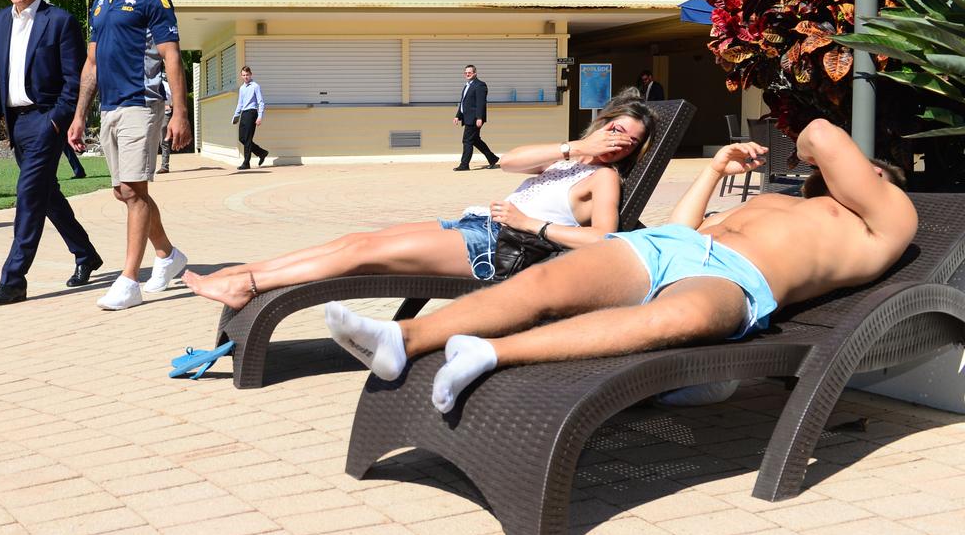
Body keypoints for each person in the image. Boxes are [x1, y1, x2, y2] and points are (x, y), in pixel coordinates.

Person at [324, 118, 916, 414]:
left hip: (737, 281)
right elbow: (683, 230)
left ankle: (490, 352)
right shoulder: (785, 200)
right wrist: (714, 170)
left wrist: (833, 159)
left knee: (674, 319)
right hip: (670, 246)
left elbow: (818, 133)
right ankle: (403, 338)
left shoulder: (888, 218)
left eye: (870, 173)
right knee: (547, 282)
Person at [183, 95, 657, 309]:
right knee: (357, 239)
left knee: (361, 256)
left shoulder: (604, 177)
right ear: (602, 121)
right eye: (616, 129)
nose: (620, 143)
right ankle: (245, 273)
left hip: (498, 249)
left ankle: (246, 285)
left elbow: (603, 242)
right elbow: (509, 161)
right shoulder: (569, 159)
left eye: (631, 142)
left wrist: (534, 225)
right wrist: (576, 147)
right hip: (473, 228)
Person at [69, 0, 192, 310]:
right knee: (124, 191)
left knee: (136, 192)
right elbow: (90, 64)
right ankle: (169, 256)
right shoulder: (100, 3)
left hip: (142, 103)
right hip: (110, 108)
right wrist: (79, 116)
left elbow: (172, 56)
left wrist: (180, 112)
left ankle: (128, 281)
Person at [0, 0, 102, 306]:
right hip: (15, 124)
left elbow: (74, 80)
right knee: (47, 196)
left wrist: (56, 122)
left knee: (28, 197)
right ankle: (86, 253)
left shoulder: (59, 21)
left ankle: (13, 279)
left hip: (45, 121)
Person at [454, 64, 499, 171]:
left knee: (467, 140)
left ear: (475, 73)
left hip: (474, 118)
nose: (467, 74)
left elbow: (481, 103)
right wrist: (458, 116)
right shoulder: (467, 85)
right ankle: (492, 158)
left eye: (469, 72)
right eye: (465, 72)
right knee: (475, 140)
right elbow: (463, 103)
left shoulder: (480, 85)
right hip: (467, 117)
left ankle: (464, 165)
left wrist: (479, 117)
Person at [233, 66, 268, 170]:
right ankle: (262, 152)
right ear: (241, 76)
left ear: (250, 74)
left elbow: (260, 102)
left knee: (248, 139)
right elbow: (240, 103)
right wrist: (236, 116)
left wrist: (260, 116)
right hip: (244, 114)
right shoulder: (242, 88)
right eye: (243, 75)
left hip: (252, 113)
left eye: (247, 75)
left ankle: (246, 162)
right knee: (242, 138)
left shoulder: (255, 86)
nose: (245, 77)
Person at [158, 77, 173, 173]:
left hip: (165, 113)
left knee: (164, 140)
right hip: (151, 113)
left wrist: (170, 105)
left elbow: (174, 99)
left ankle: (165, 166)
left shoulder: (166, 85)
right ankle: (146, 167)